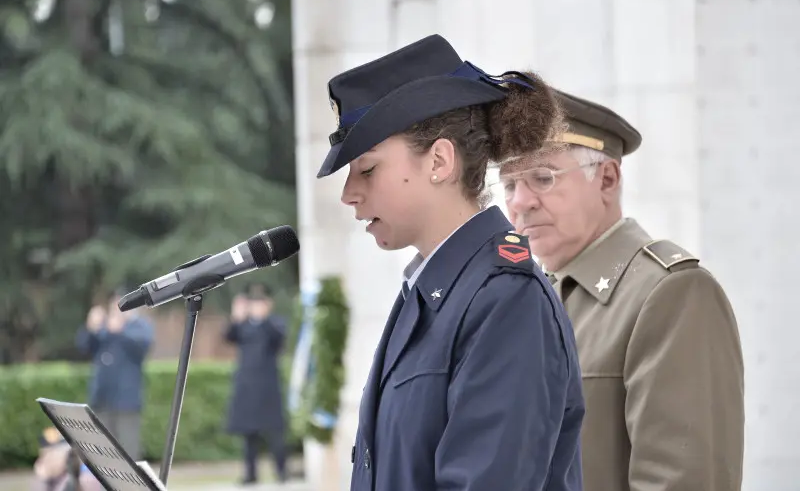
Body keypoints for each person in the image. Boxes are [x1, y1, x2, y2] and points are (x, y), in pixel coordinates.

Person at [317, 34, 585, 491]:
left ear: (439, 161)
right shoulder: (432, 292)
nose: (349, 194)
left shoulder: (505, 300)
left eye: (367, 169)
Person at [500, 83, 745, 491]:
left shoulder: (671, 294)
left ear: (607, 179)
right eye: (509, 184)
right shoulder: (527, 300)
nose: (519, 202)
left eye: (542, 177)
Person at [75, 286, 154, 461]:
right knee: (104, 453)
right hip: (102, 399)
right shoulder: (105, 328)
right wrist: (91, 327)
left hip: (126, 402)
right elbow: (84, 346)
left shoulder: (139, 326)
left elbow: (143, 346)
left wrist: (121, 330)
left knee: (128, 452)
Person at [224, 283, 288, 485]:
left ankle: (281, 471)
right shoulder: (242, 325)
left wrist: (264, 318)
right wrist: (236, 316)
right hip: (247, 385)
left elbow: (278, 340)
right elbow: (228, 336)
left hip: (268, 386)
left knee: (275, 433)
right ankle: (251, 474)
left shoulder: (274, 324)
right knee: (249, 434)